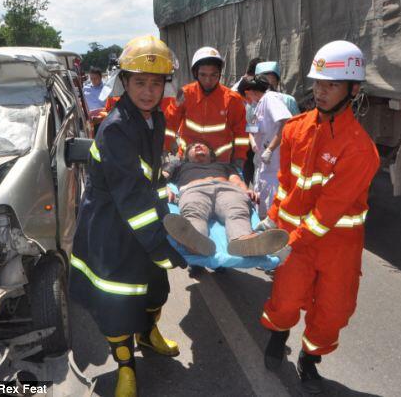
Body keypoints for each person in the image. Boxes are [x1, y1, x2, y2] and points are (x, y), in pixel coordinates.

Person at [257, 40, 380, 394]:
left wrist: (287, 243)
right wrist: (272, 220)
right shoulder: (294, 129)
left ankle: (310, 360)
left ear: (353, 90)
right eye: (318, 83)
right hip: (296, 240)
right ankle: (278, 338)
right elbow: (284, 186)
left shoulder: (359, 149)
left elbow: (326, 214)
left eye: (332, 84)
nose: (321, 91)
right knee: (284, 299)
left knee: (332, 311)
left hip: (337, 247)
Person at [70, 35, 186, 397]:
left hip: (144, 219)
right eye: (140, 82)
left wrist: (166, 201)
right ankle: (125, 367)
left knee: (155, 290)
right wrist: (160, 244)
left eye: (156, 83)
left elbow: (146, 180)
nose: (149, 91)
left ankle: (148, 336)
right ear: (124, 82)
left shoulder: (156, 119)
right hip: (112, 227)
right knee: (118, 301)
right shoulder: (117, 126)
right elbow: (131, 198)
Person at [162, 141, 289, 257]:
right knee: (194, 212)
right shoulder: (179, 166)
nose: (198, 146)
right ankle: (195, 242)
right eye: (193, 146)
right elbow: (162, 178)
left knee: (237, 211)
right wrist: (164, 189)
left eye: (202, 145)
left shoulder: (224, 166)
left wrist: (246, 190)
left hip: (227, 189)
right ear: (186, 155)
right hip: (194, 190)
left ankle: (243, 241)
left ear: (211, 154)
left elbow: (236, 180)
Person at [164, 46, 249, 165]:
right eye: (203, 75)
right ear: (195, 74)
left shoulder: (232, 100)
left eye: (213, 75)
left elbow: (241, 134)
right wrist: (166, 147)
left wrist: (239, 159)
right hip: (187, 161)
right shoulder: (184, 94)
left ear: (219, 74)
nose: (208, 80)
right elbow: (170, 122)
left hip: (221, 163)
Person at [239, 75, 292, 219]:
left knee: (273, 209)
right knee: (261, 204)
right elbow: (252, 129)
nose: (246, 102)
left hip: (274, 166)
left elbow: (286, 123)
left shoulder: (270, 99)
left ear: (249, 91)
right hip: (262, 166)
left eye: (245, 97)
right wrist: (252, 141)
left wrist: (270, 149)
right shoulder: (257, 107)